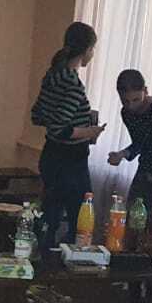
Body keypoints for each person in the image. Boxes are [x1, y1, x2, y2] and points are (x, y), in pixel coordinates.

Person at [30, 22, 105, 248]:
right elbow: (61, 128)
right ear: (87, 50)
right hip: (70, 161)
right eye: (93, 49)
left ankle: (42, 257)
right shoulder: (72, 83)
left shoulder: (53, 75)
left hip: (50, 155)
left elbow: (37, 115)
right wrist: (90, 131)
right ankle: (67, 262)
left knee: (49, 216)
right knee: (80, 221)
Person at [105, 69, 152, 218]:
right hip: (146, 167)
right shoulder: (126, 113)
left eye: (136, 100)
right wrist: (122, 154)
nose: (131, 106)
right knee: (132, 216)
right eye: (125, 101)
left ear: (145, 91)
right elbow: (139, 143)